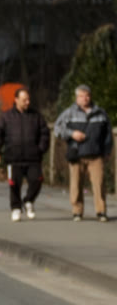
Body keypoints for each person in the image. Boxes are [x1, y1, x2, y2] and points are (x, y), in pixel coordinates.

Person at [0, 85, 49, 221]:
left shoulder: (36, 116)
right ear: (16, 100)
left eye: (28, 99)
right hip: (13, 157)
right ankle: (16, 208)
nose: (27, 102)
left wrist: (40, 149)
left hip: (33, 158)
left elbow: (44, 133)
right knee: (14, 184)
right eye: (24, 100)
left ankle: (28, 200)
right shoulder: (6, 117)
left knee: (37, 180)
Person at [54, 83, 111, 221]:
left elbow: (108, 134)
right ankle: (77, 211)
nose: (85, 98)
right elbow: (57, 128)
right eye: (81, 96)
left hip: (96, 154)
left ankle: (101, 211)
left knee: (99, 184)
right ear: (76, 98)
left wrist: (107, 151)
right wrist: (72, 134)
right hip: (77, 153)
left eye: (87, 96)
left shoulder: (100, 113)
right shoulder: (69, 113)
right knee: (76, 184)